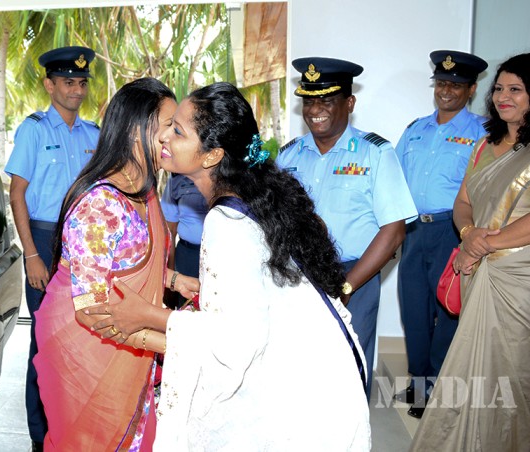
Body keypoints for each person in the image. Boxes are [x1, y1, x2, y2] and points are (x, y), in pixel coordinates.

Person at [81, 82, 371, 450]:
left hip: (304, 403)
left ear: (211, 156)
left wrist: (148, 315)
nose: (164, 136)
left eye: (177, 130)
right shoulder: (252, 196)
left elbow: (235, 343)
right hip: (322, 375)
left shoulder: (227, 224)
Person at [32, 77, 198, 451]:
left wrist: (174, 280)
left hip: (128, 347)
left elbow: (127, 262)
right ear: (136, 129)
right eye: (169, 126)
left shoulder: (145, 189)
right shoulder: (101, 204)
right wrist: (170, 342)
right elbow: (92, 310)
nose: (174, 137)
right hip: (87, 354)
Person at [411, 53, 530, 451]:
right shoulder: (484, 145)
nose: (503, 97)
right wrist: (469, 232)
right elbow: (463, 203)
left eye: (516, 89)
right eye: (499, 89)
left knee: (516, 378)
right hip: (478, 272)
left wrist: (482, 243)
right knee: (472, 371)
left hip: (527, 283)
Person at [276, 57, 418, 398]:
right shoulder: (288, 156)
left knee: (348, 371)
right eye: (309, 101)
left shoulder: (375, 154)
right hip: (298, 275)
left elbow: (394, 231)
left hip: (354, 275)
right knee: (299, 367)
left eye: (326, 100)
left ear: (349, 103)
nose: (315, 110)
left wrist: (347, 285)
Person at [4, 45, 100, 450]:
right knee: (44, 345)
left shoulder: (95, 135)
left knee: (84, 339)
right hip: (44, 241)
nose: (76, 90)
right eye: (67, 82)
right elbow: (17, 195)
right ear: (49, 85)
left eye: (81, 83)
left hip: (84, 245)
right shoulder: (34, 130)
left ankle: (73, 432)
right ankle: (39, 437)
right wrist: (31, 255)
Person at [394, 50, 488, 418]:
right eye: (442, 83)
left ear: (471, 89)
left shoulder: (482, 133)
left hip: (452, 230)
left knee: (448, 309)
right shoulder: (415, 130)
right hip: (413, 230)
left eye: (456, 85)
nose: (446, 90)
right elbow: (394, 181)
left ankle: (436, 385)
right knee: (414, 310)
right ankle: (419, 382)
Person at [161, 173, 208, 309]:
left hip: (219, 253)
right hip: (187, 256)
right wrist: (171, 274)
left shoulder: (226, 173)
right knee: (187, 303)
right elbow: (170, 231)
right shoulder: (176, 179)